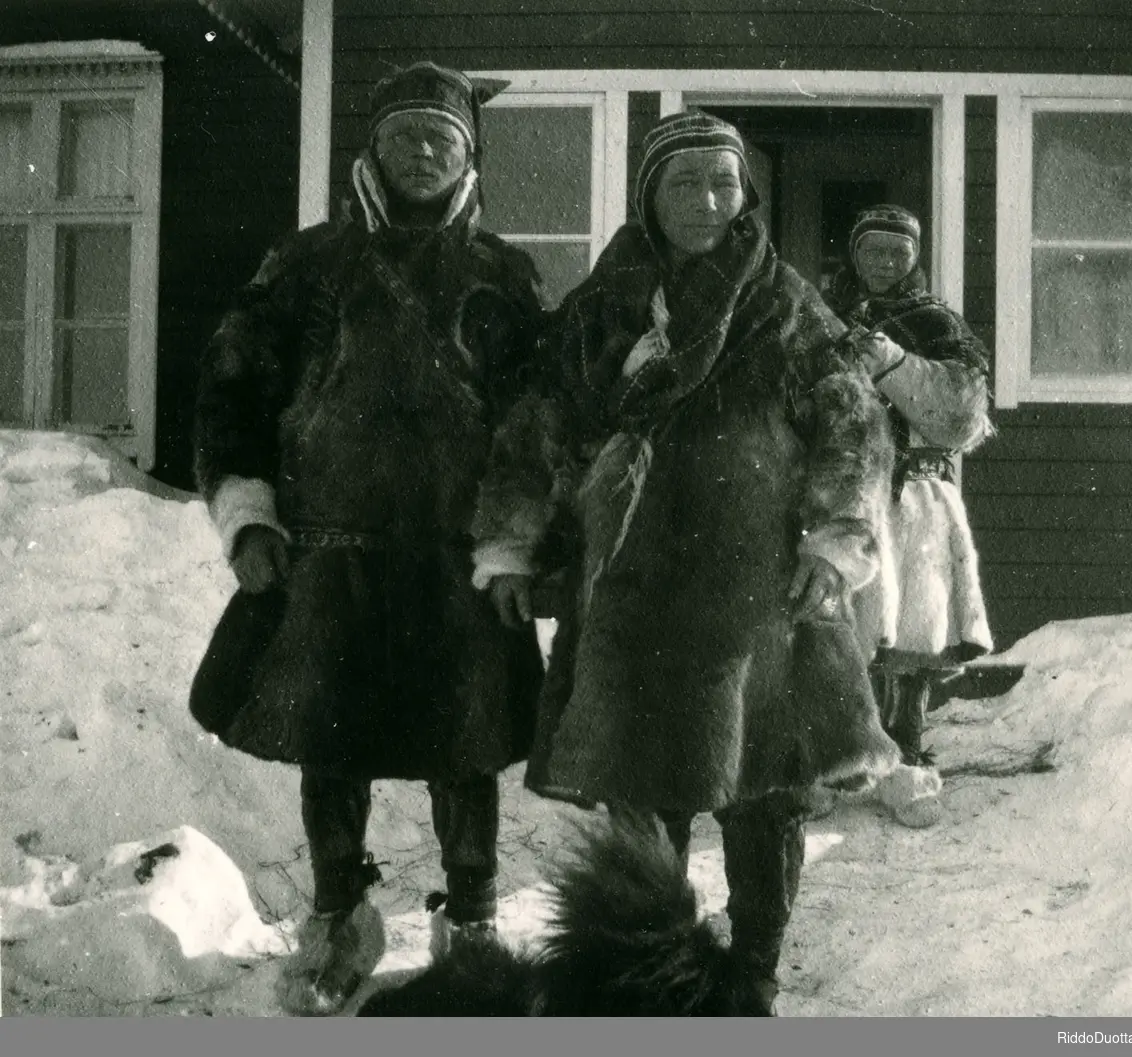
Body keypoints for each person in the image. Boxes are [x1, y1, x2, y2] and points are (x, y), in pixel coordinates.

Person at [468, 110, 903, 1014]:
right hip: (634, 605)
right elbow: (537, 423)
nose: (707, 202)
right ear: (648, 197)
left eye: (723, 183)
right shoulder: (604, 307)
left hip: (758, 602)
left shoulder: (783, 304)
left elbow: (851, 425)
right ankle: (648, 974)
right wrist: (512, 542)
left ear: (746, 194)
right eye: (684, 184)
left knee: (762, 800)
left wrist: (836, 540)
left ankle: (753, 972)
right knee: (644, 808)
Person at [187, 61, 546, 1016]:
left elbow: (532, 422)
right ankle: (340, 913)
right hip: (330, 555)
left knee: (464, 751)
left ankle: (469, 917)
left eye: (443, 136)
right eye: (404, 135)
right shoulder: (306, 265)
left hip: (458, 562)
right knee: (330, 745)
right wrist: (249, 516)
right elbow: (233, 391)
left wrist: (515, 544)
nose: (423, 151)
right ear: (372, 150)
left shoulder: (502, 273)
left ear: (469, 155)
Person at [821, 204, 995, 828]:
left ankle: (907, 750)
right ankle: (848, 754)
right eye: (873, 252)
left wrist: (893, 362)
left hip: (917, 498)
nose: (885, 263)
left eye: (898, 253)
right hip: (852, 494)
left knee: (918, 631)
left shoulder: (936, 322)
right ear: (855, 256)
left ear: (914, 258)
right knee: (855, 629)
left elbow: (964, 410)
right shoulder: (827, 318)